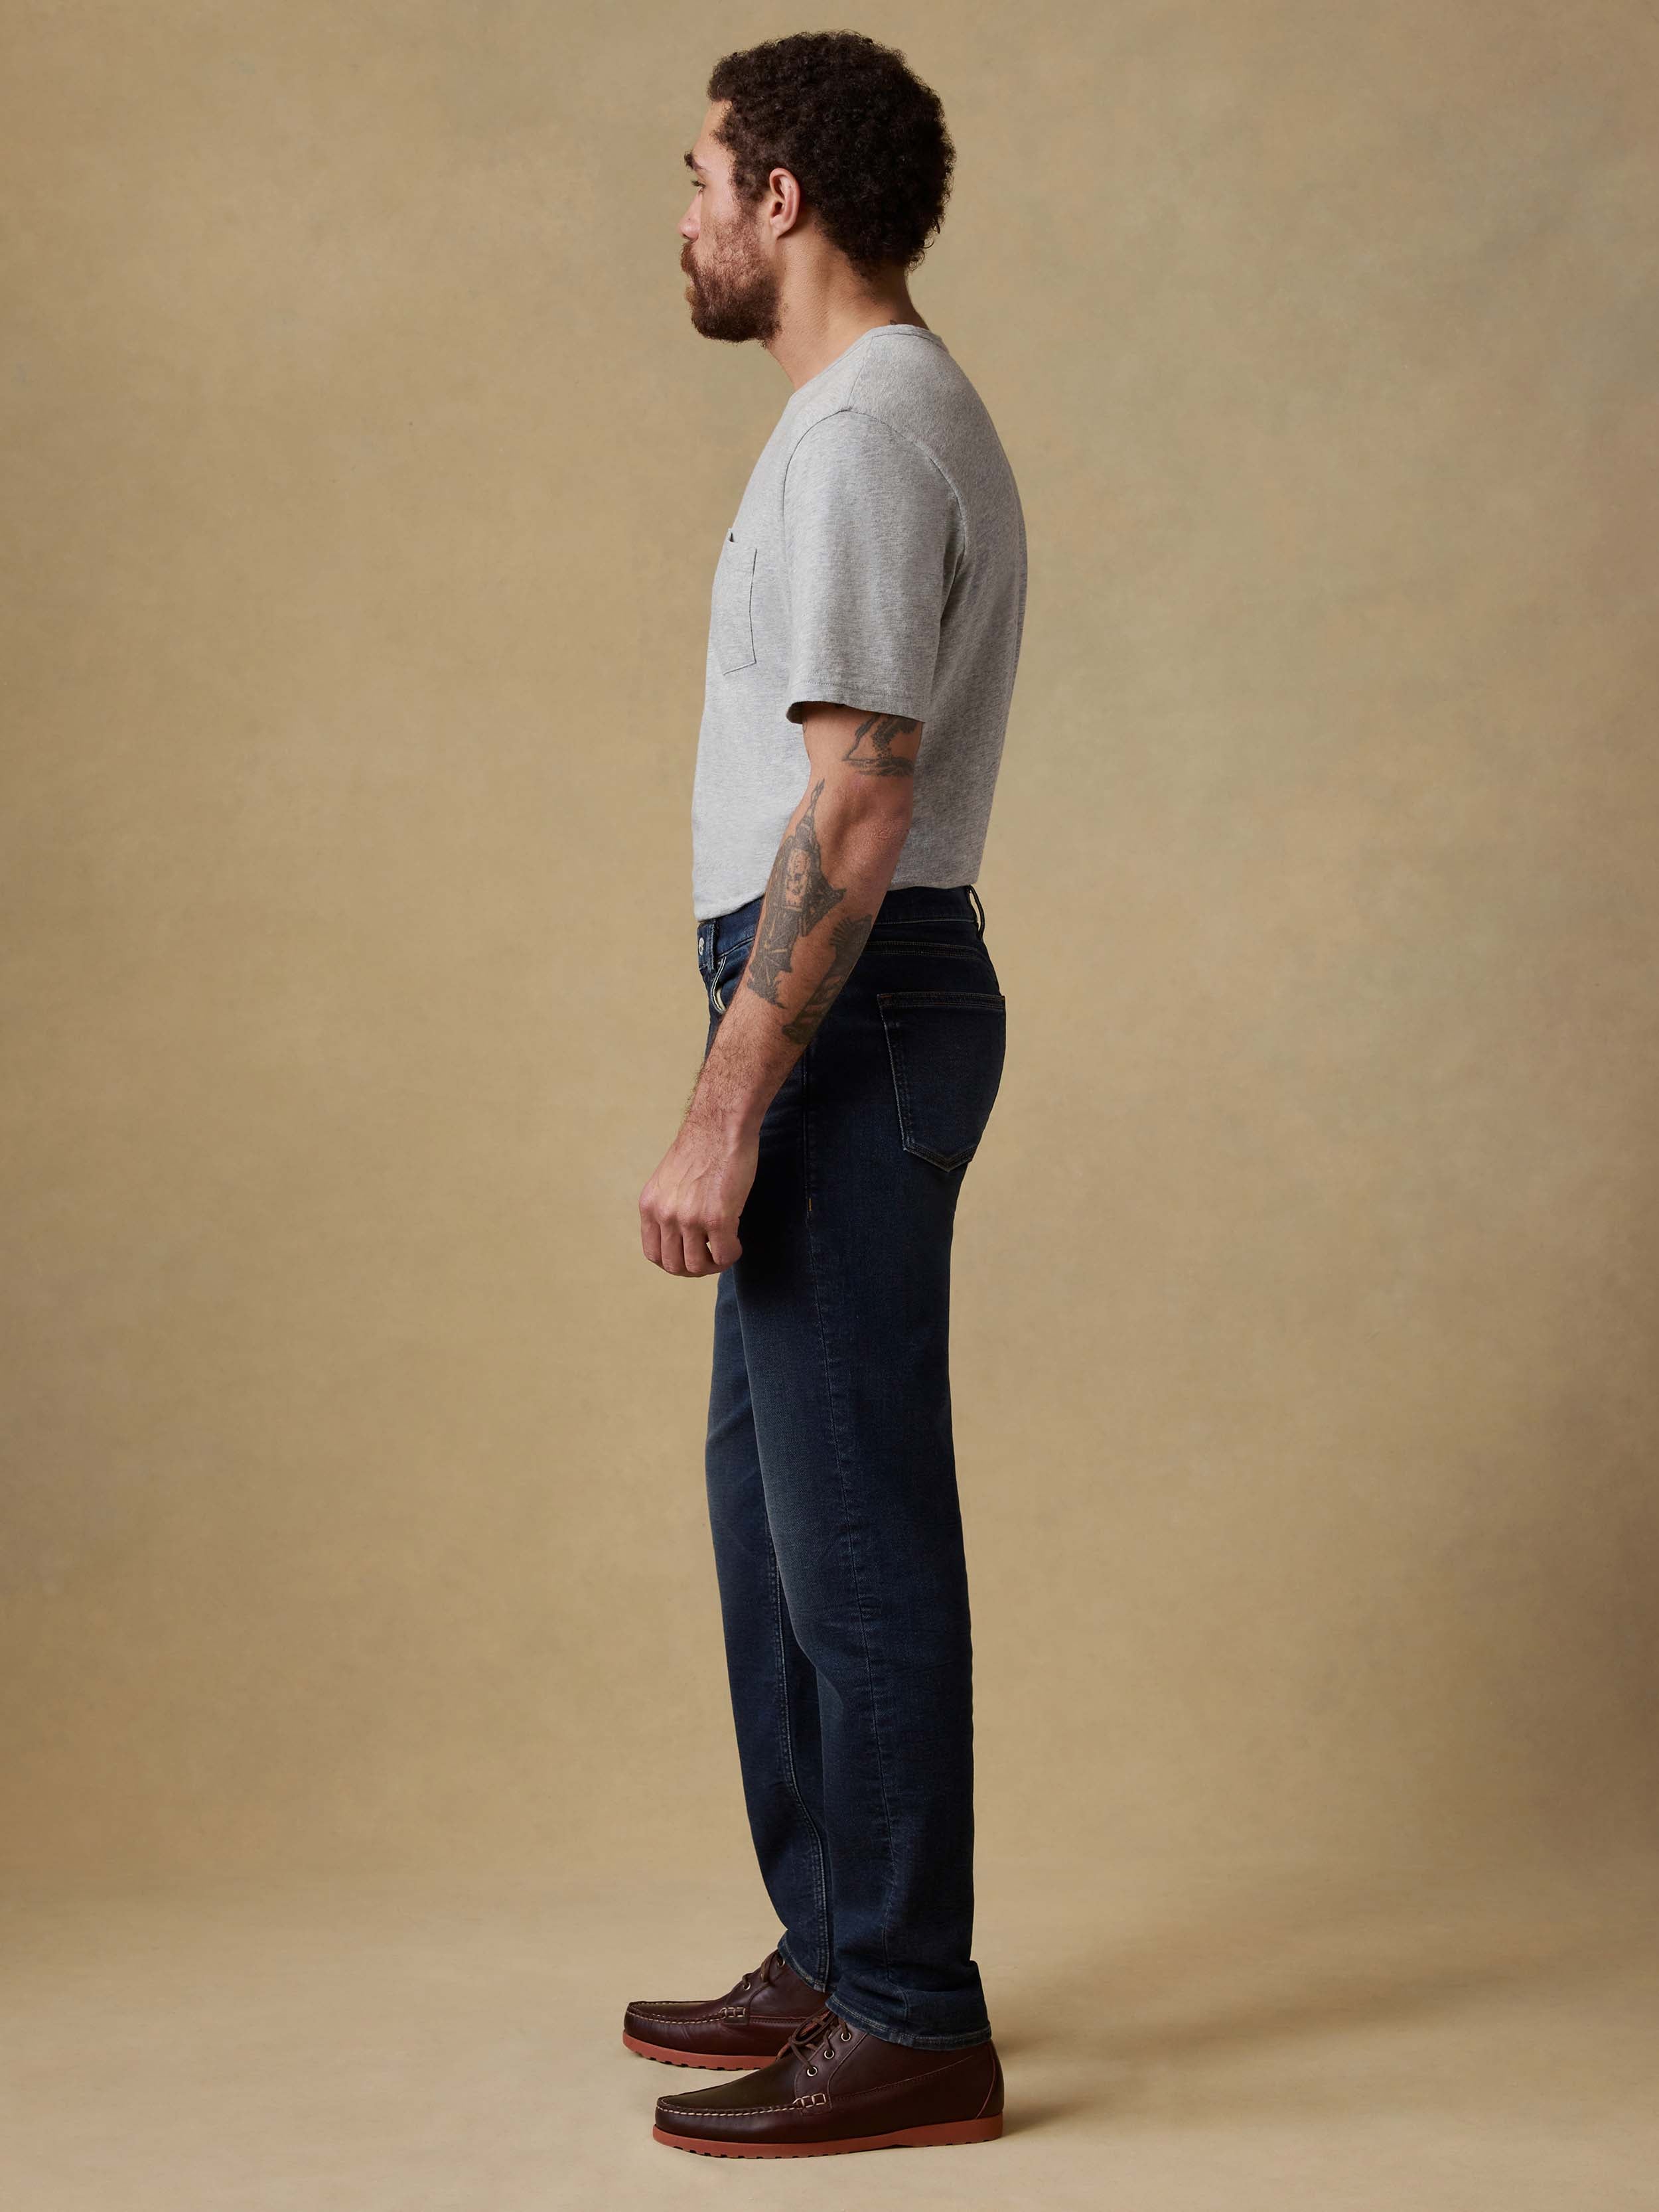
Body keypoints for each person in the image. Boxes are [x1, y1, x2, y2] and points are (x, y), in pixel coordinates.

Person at [631, 29, 1027, 2160]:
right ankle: (833, 1935)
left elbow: (857, 806)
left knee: (854, 1527)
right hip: (818, 1006)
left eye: (700, 176)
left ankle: (912, 2009)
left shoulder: (871, 432)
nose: (681, 216)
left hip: (842, 1011)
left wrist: (723, 1102)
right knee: (773, 1519)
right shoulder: (846, 423)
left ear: (784, 200)